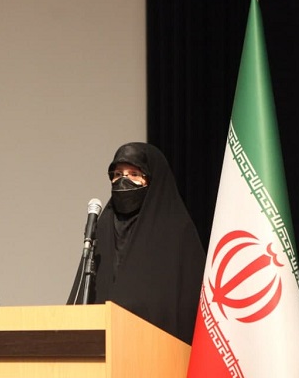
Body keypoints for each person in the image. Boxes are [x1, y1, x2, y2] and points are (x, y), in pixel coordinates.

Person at [68, 142, 205, 344]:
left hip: (157, 348)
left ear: (153, 180)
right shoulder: (103, 226)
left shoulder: (176, 231)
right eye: (117, 174)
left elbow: (187, 307)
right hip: (104, 347)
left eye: (134, 174)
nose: (123, 181)